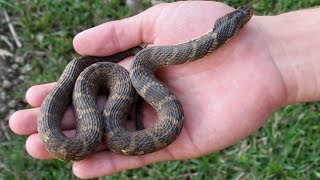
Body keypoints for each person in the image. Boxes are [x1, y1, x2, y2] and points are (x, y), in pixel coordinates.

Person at [8, 1, 320, 179]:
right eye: (243, 15)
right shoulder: (133, 66)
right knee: (89, 85)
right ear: (226, 30)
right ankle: (81, 83)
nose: (247, 12)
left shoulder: (143, 64)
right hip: (109, 89)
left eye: (245, 16)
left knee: (110, 118)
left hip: (123, 104)